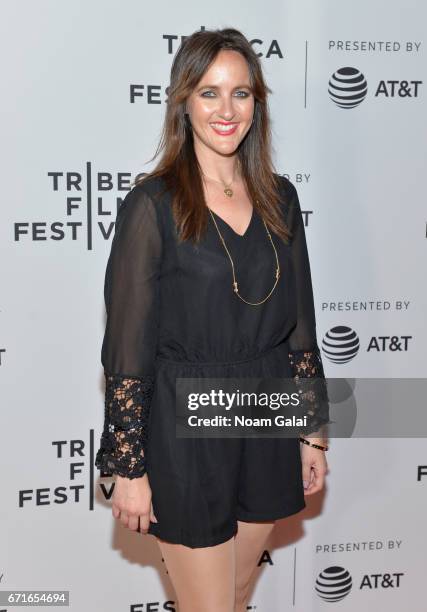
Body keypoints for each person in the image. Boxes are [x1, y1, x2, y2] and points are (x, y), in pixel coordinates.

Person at [95, 27, 330, 612]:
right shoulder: (152, 205)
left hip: (265, 414)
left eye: (241, 93)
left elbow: (301, 321)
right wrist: (128, 467)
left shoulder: (280, 197)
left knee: (238, 594)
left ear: (257, 104)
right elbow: (128, 347)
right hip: (184, 427)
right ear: (183, 101)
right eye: (209, 93)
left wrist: (312, 430)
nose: (227, 110)